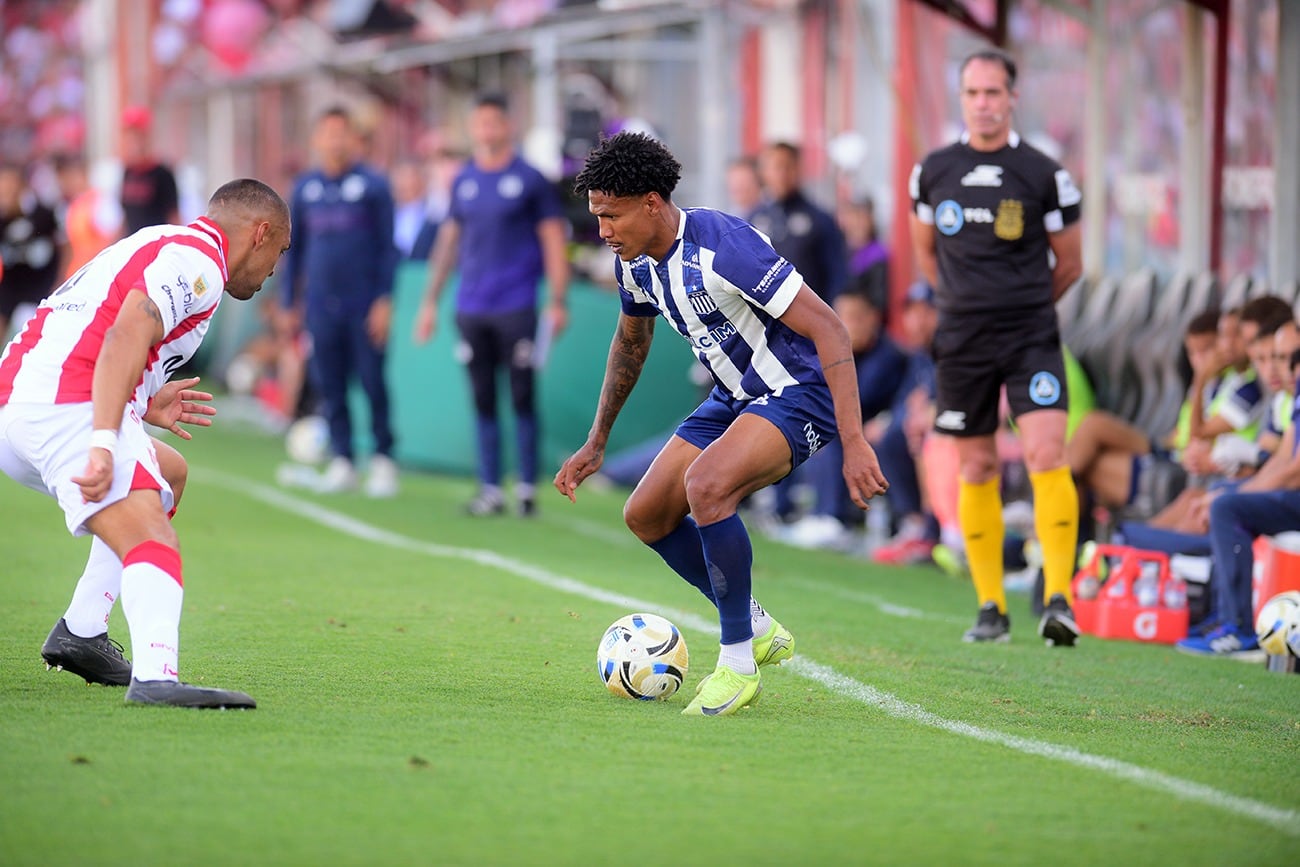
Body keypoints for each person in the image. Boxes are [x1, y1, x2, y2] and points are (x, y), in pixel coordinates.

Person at [555, 132, 888, 716]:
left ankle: (737, 663)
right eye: (596, 217)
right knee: (646, 514)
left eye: (611, 216)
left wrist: (855, 439)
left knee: (707, 486)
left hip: (797, 391)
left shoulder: (724, 245)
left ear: (652, 203)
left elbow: (832, 328)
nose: (603, 230)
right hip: (734, 395)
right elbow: (631, 341)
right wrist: (597, 438)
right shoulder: (634, 262)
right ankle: (754, 624)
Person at [0, 178, 290, 708]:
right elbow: (126, 333)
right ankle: (157, 677)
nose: (275, 268)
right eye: (280, 251)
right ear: (261, 233)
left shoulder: (164, 241)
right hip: (65, 405)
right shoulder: (201, 262)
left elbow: (102, 319)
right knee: (150, 539)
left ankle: (82, 630)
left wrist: (142, 400)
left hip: (21, 400)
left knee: (169, 475)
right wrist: (106, 440)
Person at [909, 48, 1083, 645]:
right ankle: (991, 608)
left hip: (1031, 334)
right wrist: (962, 303)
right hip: (962, 339)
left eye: (993, 93)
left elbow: (1071, 264)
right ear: (962, 99)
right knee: (977, 464)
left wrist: (1022, 304)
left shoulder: (1044, 174)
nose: (983, 103)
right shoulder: (932, 171)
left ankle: (1058, 597)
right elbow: (927, 252)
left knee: (1045, 455)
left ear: (1012, 97)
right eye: (972, 93)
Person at [415, 93, 570, 517]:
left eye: (494, 122)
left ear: (509, 126)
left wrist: (557, 299)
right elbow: (449, 241)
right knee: (482, 397)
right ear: (472, 128)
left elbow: (553, 240)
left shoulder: (531, 180)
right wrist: (430, 302)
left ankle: (524, 486)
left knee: (522, 395)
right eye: (480, 123)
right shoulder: (463, 180)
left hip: (517, 305)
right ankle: (489, 487)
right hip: (471, 307)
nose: (487, 130)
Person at [280, 105, 399, 497]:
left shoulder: (373, 186)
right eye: (327, 132)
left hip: (363, 305)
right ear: (316, 139)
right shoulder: (305, 189)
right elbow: (293, 251)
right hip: (320, 305)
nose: (334, 140)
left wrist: (384, 300)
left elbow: (387, 248)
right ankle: (343, 458)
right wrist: (288, 302)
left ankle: (382, 459)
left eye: (341, 132)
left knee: (371, 381)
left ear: (353, 138)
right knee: (329, 384)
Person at [0, 162, 62, 342]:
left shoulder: (44, 214)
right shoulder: (3, 219)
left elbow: (62, 247)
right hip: (10, 286)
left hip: (40, 287)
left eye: (11, 186)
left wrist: (58, 280)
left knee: (36, 338)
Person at [119, 106, 179, 235]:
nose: (133, 141)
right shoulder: (128, 172)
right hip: (133, 245)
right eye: (129, 135)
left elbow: (173, 216)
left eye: (137, 135)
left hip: (156, 246)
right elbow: (126, 216)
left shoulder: (162, 174)